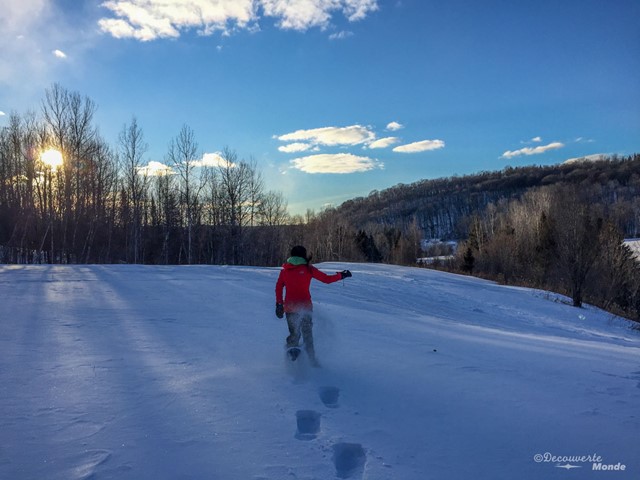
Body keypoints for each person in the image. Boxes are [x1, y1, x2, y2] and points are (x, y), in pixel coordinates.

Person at [275, 245, 352, 366]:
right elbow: (326, 279)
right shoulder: (308, 269)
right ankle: (312, 362)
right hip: (305, 308)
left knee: (294, 334)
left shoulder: (285, 270)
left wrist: (279, 304)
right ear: (303, 255)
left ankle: (291, 360)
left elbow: (279, 287)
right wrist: (341, 275)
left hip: (290, 308)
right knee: (307, 335)